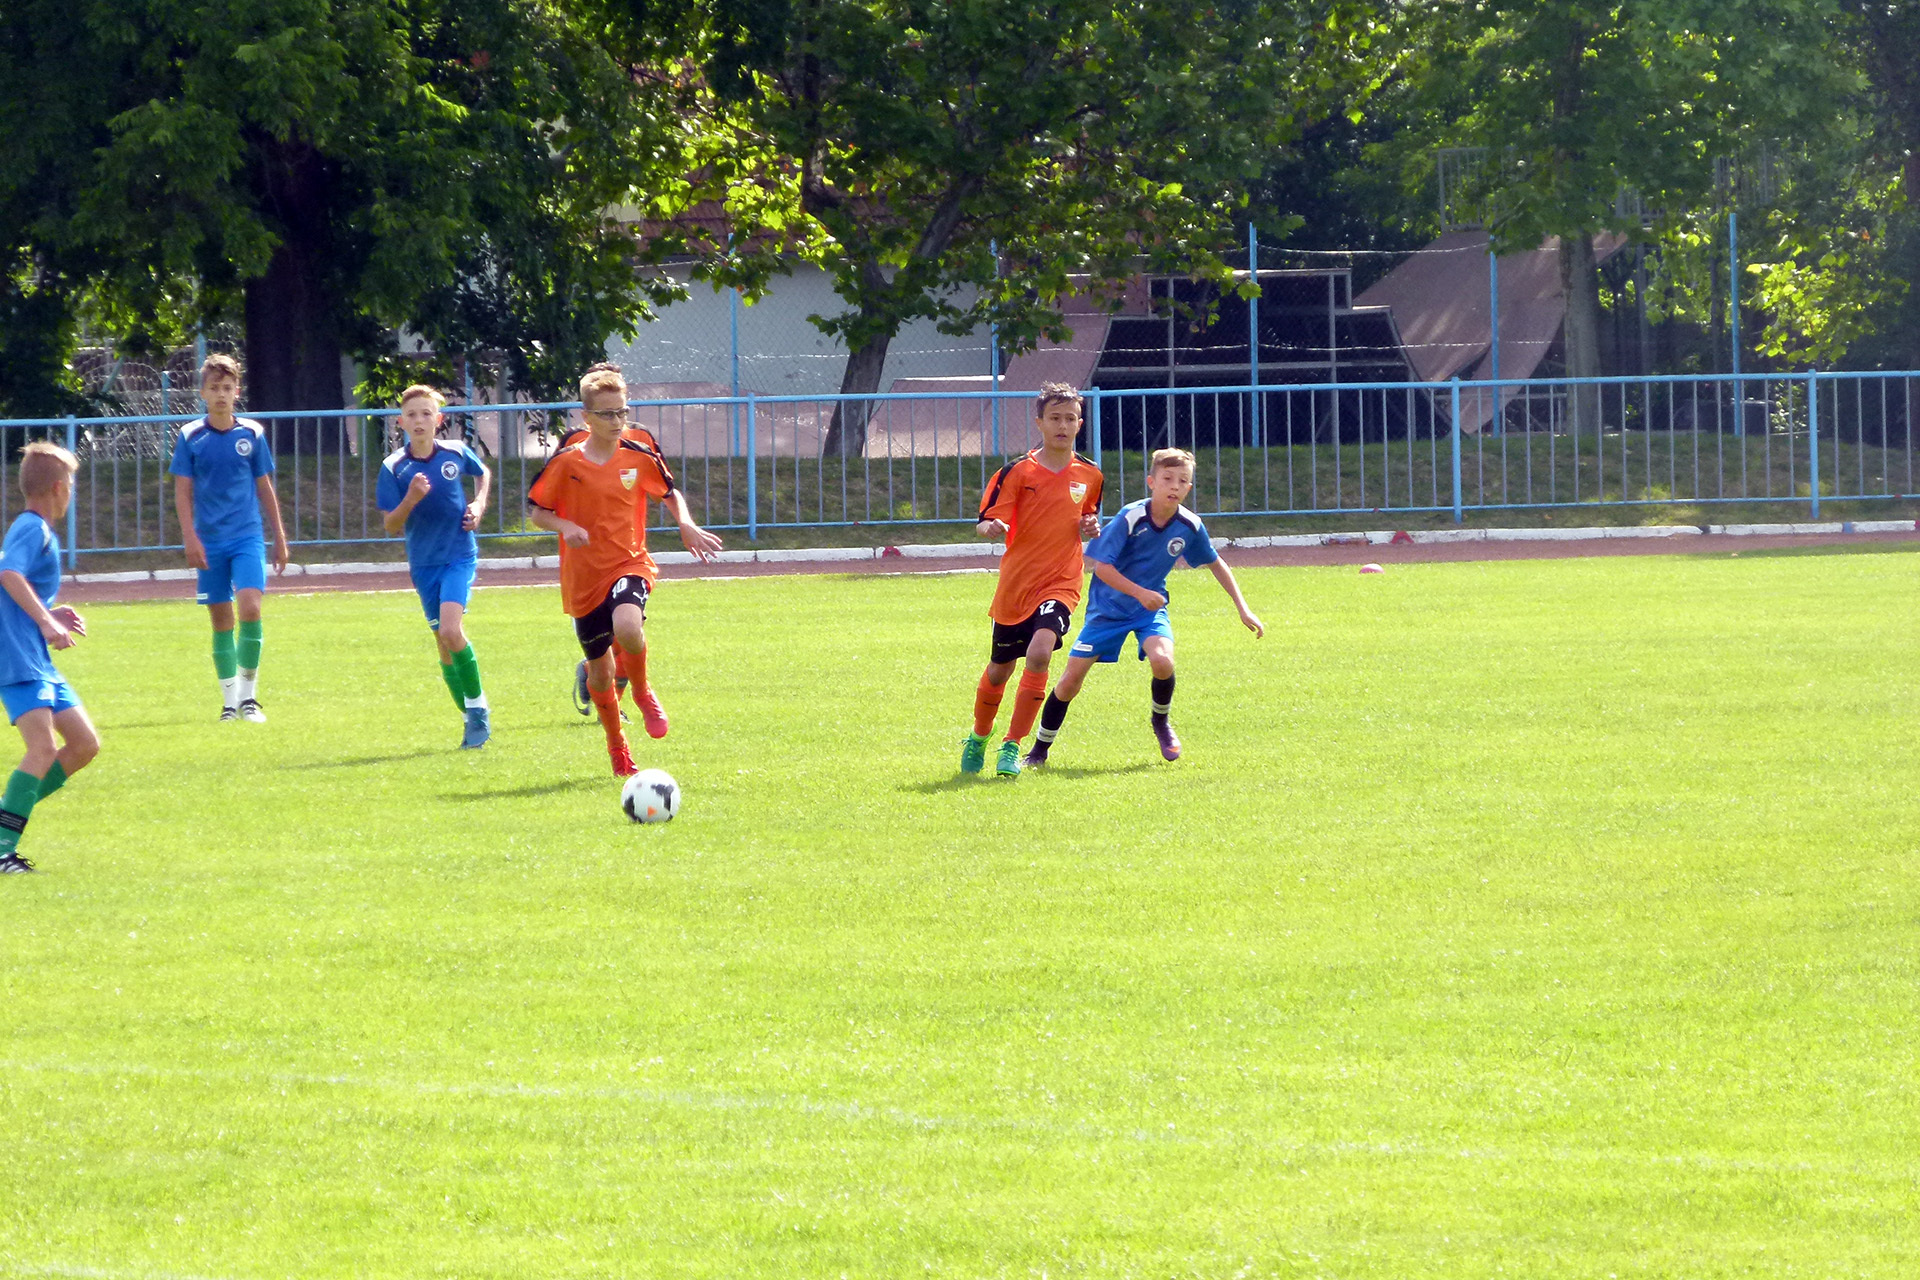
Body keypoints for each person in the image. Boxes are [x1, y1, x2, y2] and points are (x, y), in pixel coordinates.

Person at [526, 363, 723, 775]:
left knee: (629, 626)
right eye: (607, 414)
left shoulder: (639, 453)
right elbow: (537, 510)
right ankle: (618, 748)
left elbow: (669, 492)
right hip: (583, 578)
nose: (617, 421)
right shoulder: (567, 462)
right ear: (586, 417)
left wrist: (686, 524)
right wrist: (565, 526)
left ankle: (643, 692)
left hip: (629, 561)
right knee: (600, 674)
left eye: (622, 412)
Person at [1025, 448, 1262, 766]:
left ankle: (1160, 721)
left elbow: (1216, 563)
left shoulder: (1190, 525)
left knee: (1163, 660)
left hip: (1148, 610)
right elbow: (1101, 567)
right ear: (1152, 482)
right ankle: (1038, 751)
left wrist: (1243, 608)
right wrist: (1140, 593)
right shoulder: (1131, 516)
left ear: (1189, 488)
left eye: (1182, 481)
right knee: (1070, 681)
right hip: (1107, 611)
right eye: (1167, 479)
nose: (1174, 486)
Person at [960, 382, 1104, 778]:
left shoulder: (1091, 473)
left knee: (1041, 653)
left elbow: (1087, 516)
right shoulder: (1017, 472)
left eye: (1070, 418)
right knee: (999, 670)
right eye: (1055, 418)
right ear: (1039, 422)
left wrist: (1091, 526)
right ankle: (979, 735)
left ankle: (1012, 745)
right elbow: (985, 520)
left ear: (1080, 424)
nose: (1063, 425)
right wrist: (990, 528)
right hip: (1017, 584)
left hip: (1061, 580)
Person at [169, 354, 290, 722]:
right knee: (221, 620)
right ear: (203, 393)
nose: (221, 394)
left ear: (237, 392)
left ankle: (249, 698)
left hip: (246, 537)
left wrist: (280, 536)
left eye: (227, 387)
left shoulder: (251, 433)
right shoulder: (191, 436)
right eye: (214, 388)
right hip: (209, 541)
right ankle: (229, 702)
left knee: (250, 607)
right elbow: (182, 492)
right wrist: (190, 538)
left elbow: (264, 486)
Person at [0, 443, 101, 873]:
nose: (72, 493)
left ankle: (5, 816)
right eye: (72, 484)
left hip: (34, 655)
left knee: (84, 744)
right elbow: (7, 573)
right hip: (17, 654)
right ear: (59, 488)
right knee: (42, 749)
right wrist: (45, 622)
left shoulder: (36, 529)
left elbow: (14, 585)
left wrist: (48, 611)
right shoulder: (33, 528)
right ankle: (2, 848)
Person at [376, 385, 493, 749]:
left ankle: (479, 710)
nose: (419, 420)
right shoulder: (394, 467)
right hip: (424, 564)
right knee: (443, 645)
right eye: (411, 415)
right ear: (400, 423)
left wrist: (478, 505)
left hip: (459, 555)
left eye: (426, 413)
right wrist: (411, 498)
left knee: (451, 631)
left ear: (438, 420)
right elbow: (391, 524)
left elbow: (483, 473)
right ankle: (468, 719)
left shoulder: (455, 452)